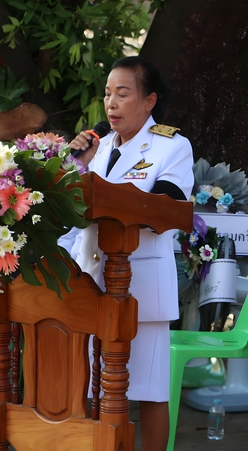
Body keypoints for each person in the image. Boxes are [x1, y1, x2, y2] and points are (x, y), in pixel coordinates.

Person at [69, 56, 193, 451]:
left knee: (149, 389)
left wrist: (103, 191)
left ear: (149, 100)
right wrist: (77, 165)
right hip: (92, 285)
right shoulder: (100, 146)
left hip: (142, 289)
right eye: (108, 94)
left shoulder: (172, 146)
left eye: (123, 94)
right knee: (92, 386)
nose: (111, 103)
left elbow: (166, 207)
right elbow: (73, 213)